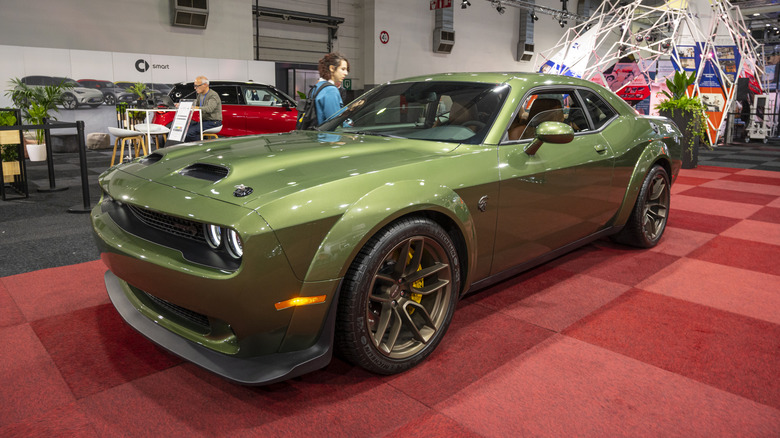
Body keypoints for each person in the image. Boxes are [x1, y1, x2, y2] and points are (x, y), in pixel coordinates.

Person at [313, 52, 349, 124]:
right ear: (332, 68)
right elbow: (335, 121)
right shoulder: (331, 90)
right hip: (328, 135)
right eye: (343, 69)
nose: (346, 73)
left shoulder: (318, 86)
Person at [185, 76, 222, 142]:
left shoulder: (213, 95)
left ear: (205, 85)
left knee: (190, 132)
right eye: (194, 86)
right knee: (186, 128)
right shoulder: (200, 95)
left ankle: (198, 148)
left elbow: (209, 109)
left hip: (213, 122)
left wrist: (196, 107)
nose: (195, 88)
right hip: (204, 121)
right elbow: (195, 105)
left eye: (197, 86)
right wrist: (184, 105)